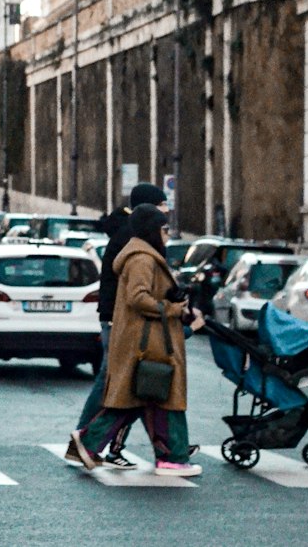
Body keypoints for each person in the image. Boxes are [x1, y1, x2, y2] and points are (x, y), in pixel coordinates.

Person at [70, 204, 204, 477]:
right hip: (148, 343)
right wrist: (174, 309)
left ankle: (88, 445)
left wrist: (172, 297)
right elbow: (138, 298)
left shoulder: (143, 256)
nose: (167, 234)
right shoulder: (142, 258)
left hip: (146, 340)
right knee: (161, 398)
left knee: (138, 400)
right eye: (164, 229)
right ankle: (171, 459)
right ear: (151, 230)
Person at [68, 181, 169, 469]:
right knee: (119, 380)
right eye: (161, 204)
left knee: (136, 381)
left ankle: (162, 445)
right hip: (121, 318)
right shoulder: (133, 237)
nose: (166, 210)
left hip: (117, 316)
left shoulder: (129, 233)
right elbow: (137, 288)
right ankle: (85, 438)